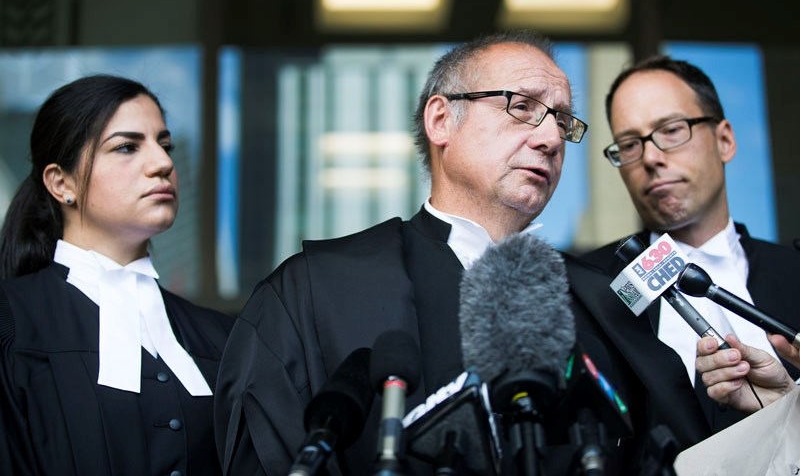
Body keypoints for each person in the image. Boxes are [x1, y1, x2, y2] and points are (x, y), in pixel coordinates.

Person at [214, 31, 707, 476]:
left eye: (561, 119)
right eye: (522, 105)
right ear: (441, 119)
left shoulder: (603, 302)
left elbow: (678, 454)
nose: (552, 137)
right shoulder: (314, 289)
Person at [0, 74, 234, 476]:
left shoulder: (222, 338)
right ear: (61, 182)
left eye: (165, 145)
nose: (163, 164)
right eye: (127, 147)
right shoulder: (11, 322)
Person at [581, 55, 800, 436]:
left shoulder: (794, 272)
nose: (650, 157)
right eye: (629, 144)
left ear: (725, 140)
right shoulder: (589, 290)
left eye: (671, 129)